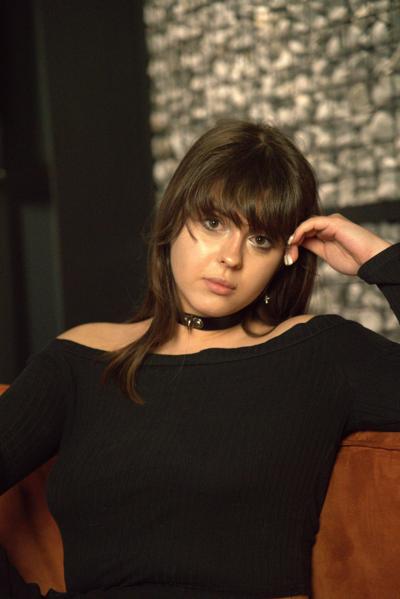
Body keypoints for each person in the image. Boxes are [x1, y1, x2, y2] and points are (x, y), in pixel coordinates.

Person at [1, 118, 399, 599]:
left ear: (285, 257)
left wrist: (381, 259)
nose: (231, 257)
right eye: (213, 223)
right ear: (174, 219)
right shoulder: (82, 359)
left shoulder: (319, 353)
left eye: (260, 239)